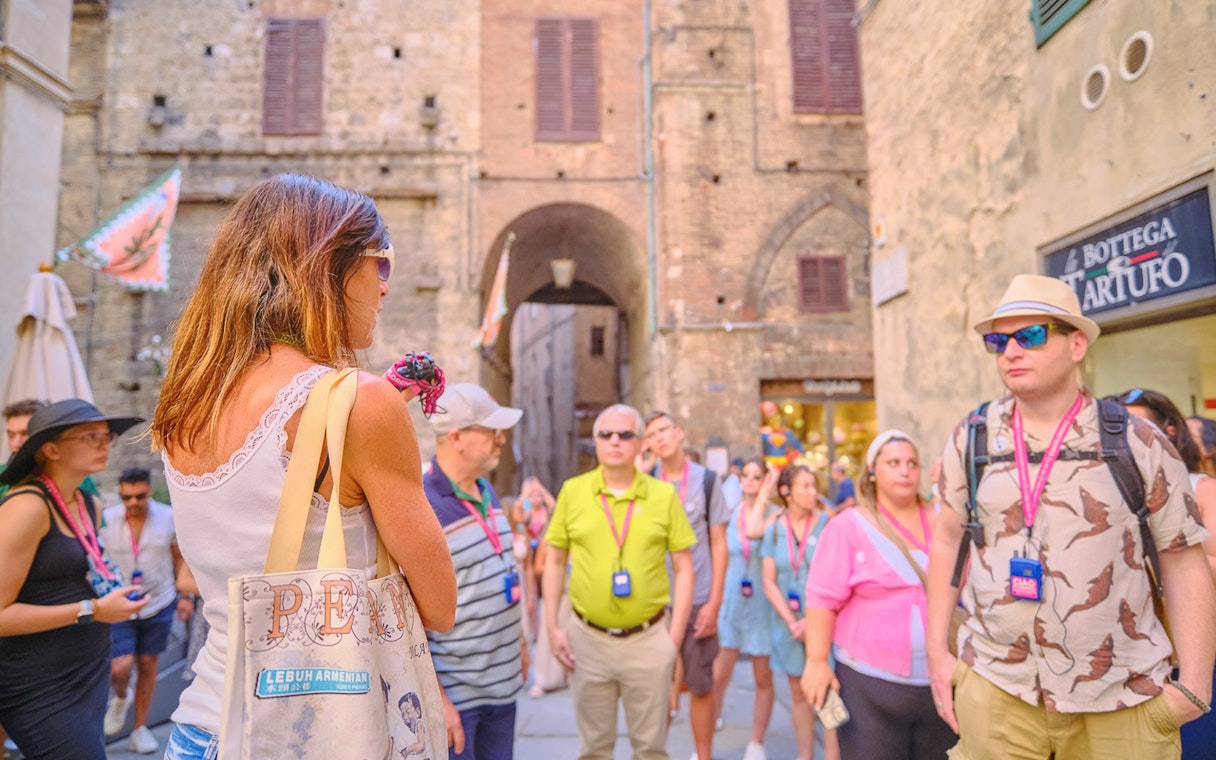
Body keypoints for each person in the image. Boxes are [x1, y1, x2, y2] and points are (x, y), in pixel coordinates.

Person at [148, 173, 457, 759]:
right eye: (381, 262)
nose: (386, 287)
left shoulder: (186, 402)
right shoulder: (360, 402)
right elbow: (439, 604)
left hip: (202, 727)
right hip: (317, 733)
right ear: (330, 268)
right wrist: (380, 415)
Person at [927, 274, 1216, 759]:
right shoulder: (972, 438)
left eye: (1031, 335)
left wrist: (1193, 687)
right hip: (999, 689)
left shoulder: (1138, 442)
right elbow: (946, 540)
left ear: (1077, 343)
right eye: (998, 340)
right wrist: (937, 653)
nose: (1011, 351)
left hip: (1121, 696)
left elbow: (1183, 560)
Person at [544, 404, 696, 760]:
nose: (615, 441)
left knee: (651, 749)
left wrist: (672, 640)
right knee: (594, 750)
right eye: (606, 434)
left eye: (625, 434)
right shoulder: (573, 492)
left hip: (648, 640)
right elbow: (554, 560)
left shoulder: (663, 496)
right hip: (587, 641)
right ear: (595, 443)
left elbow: (685, 568)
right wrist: (552, 625)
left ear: (641, 444)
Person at [0, 399, 147, 760]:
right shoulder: (26, 507)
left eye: (106, 436)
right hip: (39, 683)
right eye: (90, 436)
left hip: (87, 673)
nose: (104, 443)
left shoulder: (87, 502)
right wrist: (93, 609)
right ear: (50, 449)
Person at [801, 431, 954, 760]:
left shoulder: (944, 520)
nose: (905, 471)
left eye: (912, 463)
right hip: (867, 683)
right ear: (872, 471)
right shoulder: (848, 526)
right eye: (894, 463)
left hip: (939, 682)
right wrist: (816, 661)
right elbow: (821, 600)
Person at [423, 382, 527, 760]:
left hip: (501, 688)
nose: (501, 440)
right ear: (456, 438)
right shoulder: (424, 508)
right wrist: (438, 699)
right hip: (458, 702)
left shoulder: (485, 490)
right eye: (491, 431)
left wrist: (519, 641)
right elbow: (410, 619)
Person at [1112, 388, 1216, 758]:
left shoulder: (1200, 487)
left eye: (1139, 424)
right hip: (1123, 664)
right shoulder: (1104, 491)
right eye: (1117, 426)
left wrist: (1173, 554)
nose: (1128, 436)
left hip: (1186, 660)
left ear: (1169, 431)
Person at [644, 411, 730, 760]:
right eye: (651, 434)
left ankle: (703, 755)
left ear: (679, 432)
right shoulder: (644, 481)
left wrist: (715, 602)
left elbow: (720, 544)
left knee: (700, 684)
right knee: (655, 689)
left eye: (664, 429)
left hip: (697, 599)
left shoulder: (707, 481)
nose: (660, 437)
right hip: (655, 600)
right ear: (647, 444)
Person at [98, 467, 193, 754]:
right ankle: (121, 696)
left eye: (139, 496)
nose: (133, 502)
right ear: (121, 494)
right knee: (121, 665)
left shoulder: (167, 516)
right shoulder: (108, 520)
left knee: (149, 665)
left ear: (149, 491)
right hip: (120, 603)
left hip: (159, 600)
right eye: (127, 497)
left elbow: (179, 558)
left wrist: (185, 596)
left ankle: (139, 728)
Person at [758, 464, 839, 760]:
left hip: (824, 624)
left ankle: (832, 756)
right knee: (798, 694)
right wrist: (795, 623)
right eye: (805, 486)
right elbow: (769, 582)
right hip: (788, 625)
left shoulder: (828, 524)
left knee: (828, 693)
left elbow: (838, 577)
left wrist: (813, 622)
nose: (813, 492)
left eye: (814, 486)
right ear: (786, 493)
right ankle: (804, 755)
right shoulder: (775, 528)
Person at [711, 457, 779, 760]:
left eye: (757, 476)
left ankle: (756, 740)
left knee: (762, 677)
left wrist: (765, 497)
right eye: (747, 476)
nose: (750, 481)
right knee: (718, 675)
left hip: (762, 605)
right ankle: (707, 732)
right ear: (739, 481)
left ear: (766, 480)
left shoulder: (775, 515)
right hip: (732, 601)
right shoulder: (728, 514)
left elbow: (754, 532)